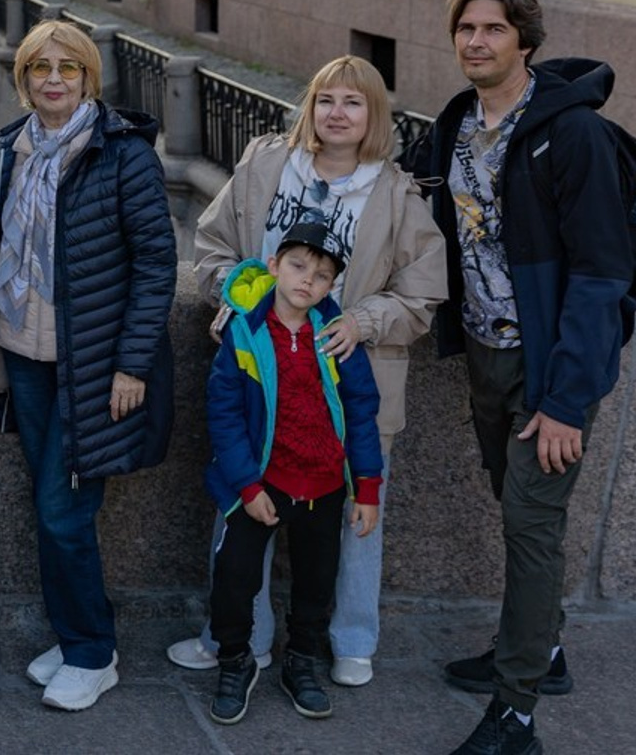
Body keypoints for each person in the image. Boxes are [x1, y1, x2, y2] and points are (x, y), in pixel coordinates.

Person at [408, 0, 632, 755]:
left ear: (525, 40)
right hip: (484, 354)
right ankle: (544, 651)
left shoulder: (573, 136)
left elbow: (603, 276)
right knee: (516, 510)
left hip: (549, 370)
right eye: (465, 29)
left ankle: (517, 713)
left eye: (493, 29)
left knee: (532, 526)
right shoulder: (455, 124)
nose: (476, 41)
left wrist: (567, 402)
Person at [168, 56, 446, 684]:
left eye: (353, 102)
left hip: (351, 385)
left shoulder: (397, 194)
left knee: (357, 514)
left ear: (374, 116)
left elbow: (423, 294)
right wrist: (237, 298)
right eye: (325, 100)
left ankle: (350, 641)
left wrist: (362, 321)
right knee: (243, 506)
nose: (337, 113)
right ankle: (239, 638)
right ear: (309, 108)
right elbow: (212, 248)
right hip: (259, 375)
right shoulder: (266, 165)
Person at [0, 20, 177, 713]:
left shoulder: (123, 154)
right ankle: (76, 632)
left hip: (93, 363)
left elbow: (158, 262)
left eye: (67, 68)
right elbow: (6, 233)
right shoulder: (16, 146)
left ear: (87, 78)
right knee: (54, 509)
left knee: (63, 510)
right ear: (22, 78)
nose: (52, 79)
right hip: (24, 354)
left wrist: (131, 364)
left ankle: (92, 651)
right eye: (39, 67)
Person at [203, 222, 382, 726]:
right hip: (262, 481)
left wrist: (365, 486)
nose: (308, 281)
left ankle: (301, 661)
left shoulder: (337, 336)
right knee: (234, 578)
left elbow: (361, 409)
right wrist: (247, 485)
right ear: (275, 266)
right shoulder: (245, 332)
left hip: (323, 484)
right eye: (299, 266)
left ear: (331, 287)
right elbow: (224, 414)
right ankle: (235, 660)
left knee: (315, 581)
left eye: (322, 275)